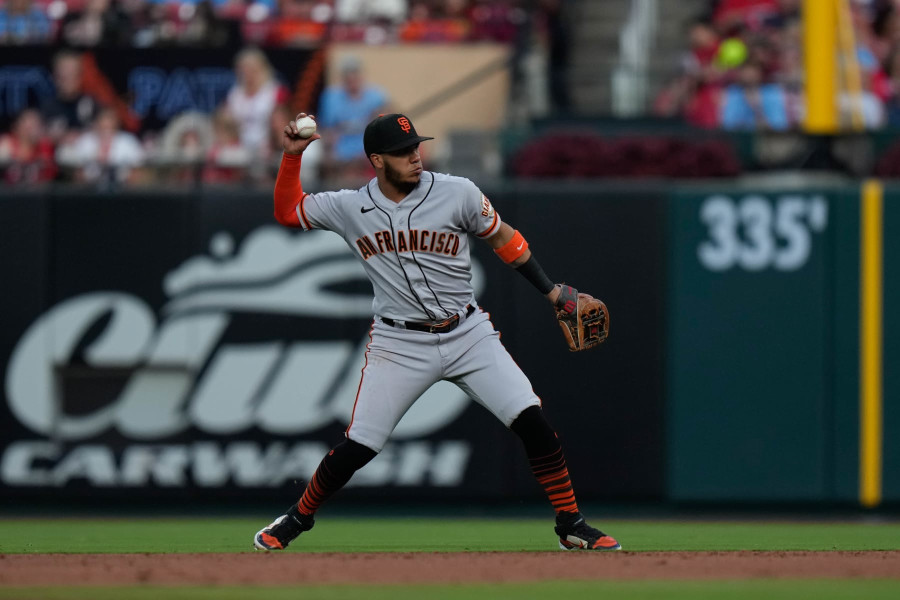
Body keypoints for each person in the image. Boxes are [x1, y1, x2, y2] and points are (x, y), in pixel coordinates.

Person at [253, 112, 621, 552]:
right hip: (399, 343)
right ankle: (296, 518)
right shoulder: (351, 207)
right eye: (402, 152)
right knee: (360, 446)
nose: (415, 156)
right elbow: (287, 210)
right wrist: (292, 158)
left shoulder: (456, 192)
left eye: (416, 147)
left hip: (468, 333)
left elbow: (505, 239)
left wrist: (551, 291)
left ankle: (571, 523)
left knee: (533, 422)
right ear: (377, 160)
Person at [316, 55, 389, 182]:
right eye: (348, 74)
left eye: (355, 73)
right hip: (341, 151)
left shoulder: (376, 96)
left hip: (368, 150)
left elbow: (383, 126)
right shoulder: (331, 97)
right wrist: (329, 151)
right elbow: (327, 130)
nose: (352, 78)